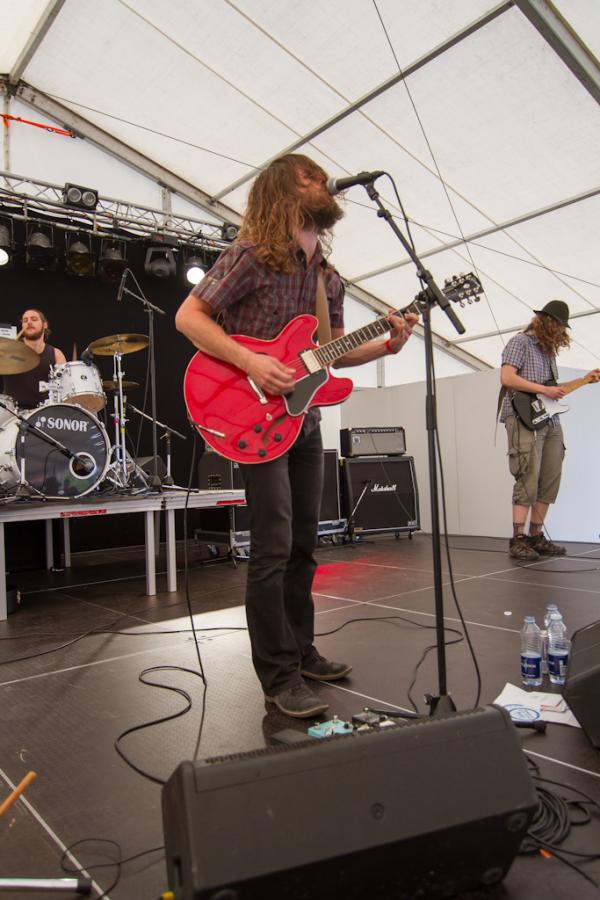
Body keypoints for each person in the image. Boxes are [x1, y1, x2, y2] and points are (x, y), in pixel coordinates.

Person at [176, 153, 418, 718]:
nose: (322, 182)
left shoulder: (326, 276)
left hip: (303, 420)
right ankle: (278, 676)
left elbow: (329, 351)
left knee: (306, 545)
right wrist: (252, 363)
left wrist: (388, 342)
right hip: (253, 418)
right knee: (272, 548)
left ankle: (302, 649)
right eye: (309, 176)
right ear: (284, 191)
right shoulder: (251, 257)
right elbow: (190, 318)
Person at [499, 300, 600, 561]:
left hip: (550, 421)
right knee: (527, 476)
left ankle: (536, 536)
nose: (560, 332)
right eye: (557, 325)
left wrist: (586, 379)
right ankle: (518, 539)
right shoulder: (520, 342)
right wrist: (544, 390)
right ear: (544, 321)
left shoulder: (549, 352)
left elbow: (553, 391)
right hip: (523, 418)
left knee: (550, 478)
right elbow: (507, 378)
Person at [3, 309, 67, 409]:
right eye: (25, 320)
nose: (29, 322)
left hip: (43, 414)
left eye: (34, 319)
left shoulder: (56, 354)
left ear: (45, 325)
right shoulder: (8, 350)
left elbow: (64, 388)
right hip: (11, 412)